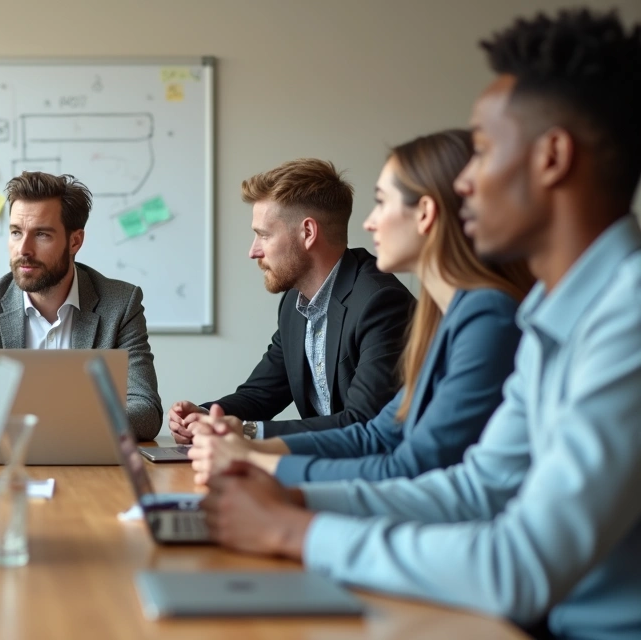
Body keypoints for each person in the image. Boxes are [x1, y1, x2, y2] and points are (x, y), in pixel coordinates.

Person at [198, 10, 641, 639]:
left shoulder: (626, 320)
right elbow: (475, 490)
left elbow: (521, 564)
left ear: (552, 157)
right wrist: (292, 500)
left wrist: (295, 529)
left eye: (482, 151)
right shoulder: (554, 315)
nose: (463, 183)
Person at [189, 130, 533, 486]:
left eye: (382, 201)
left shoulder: (478, 314)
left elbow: (405, 462)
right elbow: (378, 436)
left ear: (426, 213)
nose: (368, 223)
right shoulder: (444, 316)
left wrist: (257, 456)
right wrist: (233, 437)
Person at [169, 159, 414, 442]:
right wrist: (204, 416)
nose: (253, 251)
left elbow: (362, 422)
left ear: (308, 233)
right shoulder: (295, 304)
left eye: (263, 235)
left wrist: (247, 431)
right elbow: (261, 395)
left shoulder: (381, 303)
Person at [0, 172, 162, 441]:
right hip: (1, 466)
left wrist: (57, 432)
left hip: (89, 470)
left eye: (41, 234)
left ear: (75, 241)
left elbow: (146, 410)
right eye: (16, 232)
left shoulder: (120, 304)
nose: (23, 249)